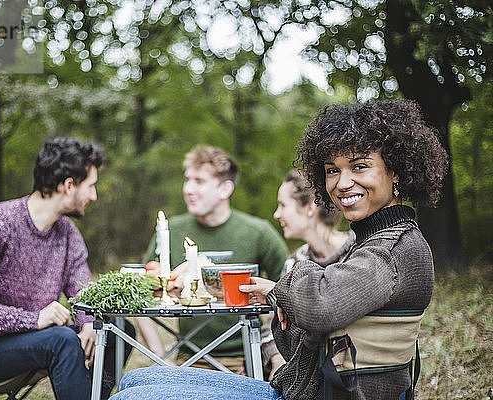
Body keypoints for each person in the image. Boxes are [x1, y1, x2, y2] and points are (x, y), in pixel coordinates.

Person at [109, 99, 448, 400]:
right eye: (332, 170)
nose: (342, 183)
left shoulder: (392, 250)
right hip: (299, 387)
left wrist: (283, 288)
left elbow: (320, 306)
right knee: (138, 379)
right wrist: (285, 298)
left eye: (359, 166)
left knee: (136, 396)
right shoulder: (371, 242)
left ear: (397, 171)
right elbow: (299, 335)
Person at [0, 137, 135, 400]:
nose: (94, 195)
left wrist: (90, 324)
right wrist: (32, 319)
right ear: (69, 186)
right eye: (91, 186)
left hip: (33, 341)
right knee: (62, 340)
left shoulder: (67, 234)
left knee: (119, 330)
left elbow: (83, 291)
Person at [139, 145, 289, 371]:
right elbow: (139, 295)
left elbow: (289, 296)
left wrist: (270, 358)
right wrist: (161, 358)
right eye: (187, 179)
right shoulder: (171, 230)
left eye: (199, 181)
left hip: (246, 359)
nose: (188, 188)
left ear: (225, 189)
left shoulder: (258, 232)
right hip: (188, 360)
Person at [261, 169, 355, 380]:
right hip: (301, 376)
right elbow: (270, 325)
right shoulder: (295, 262)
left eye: (283, 205)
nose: (277, 214)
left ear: (309, 208)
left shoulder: (358, 254)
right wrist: (277, 361)